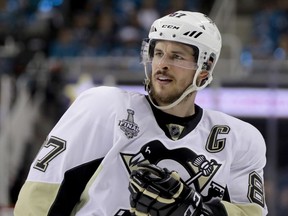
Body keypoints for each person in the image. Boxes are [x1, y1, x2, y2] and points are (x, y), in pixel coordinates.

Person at [14, 11, 268, 216]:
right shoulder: (103, 109)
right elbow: (40, 199)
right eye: (158, 53)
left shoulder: (238, 139)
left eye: (176, 56)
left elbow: (250, 213)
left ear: (204, 68)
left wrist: (196, 210)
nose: (162, 64)